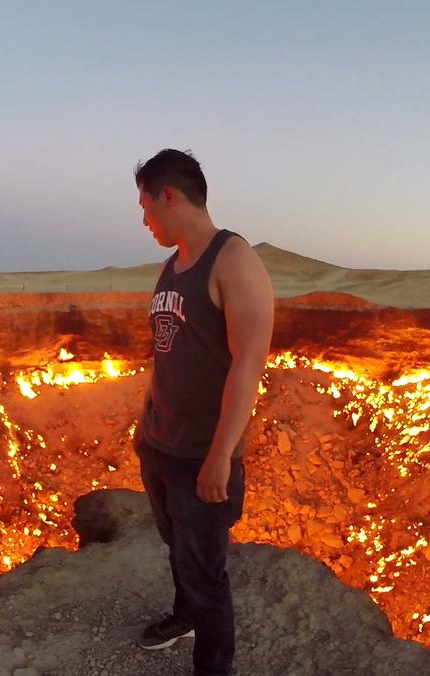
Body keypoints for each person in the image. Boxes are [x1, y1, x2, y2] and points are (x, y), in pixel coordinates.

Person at [132, 149, 274, 676]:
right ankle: (184, 614)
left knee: (206, 570)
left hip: (201, 452)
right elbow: (166, 349)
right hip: (161, 442)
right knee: (178, 548)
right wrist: (145, 420)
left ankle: (214, 666)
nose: (144, 220)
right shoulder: (172, 267)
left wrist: (220, 455)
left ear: (168, 195)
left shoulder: (232, 260)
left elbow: (248, 364)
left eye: (145, 206)